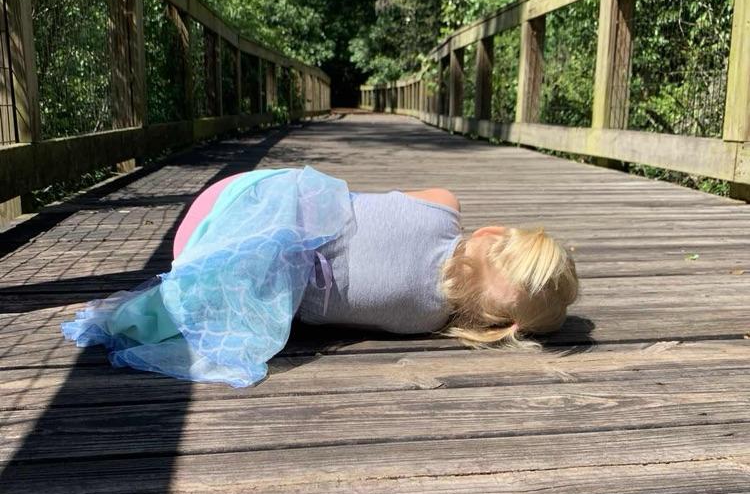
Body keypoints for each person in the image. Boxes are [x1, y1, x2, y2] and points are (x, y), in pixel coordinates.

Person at [61, 166, 578, 386]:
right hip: (214, 266)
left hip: (229, 201)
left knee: (318, 208)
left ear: (491, 232)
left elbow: (390, 210)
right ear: (499, 326)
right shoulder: (424, 319)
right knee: (278, 291)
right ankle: (169, 306)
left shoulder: (445, 206)